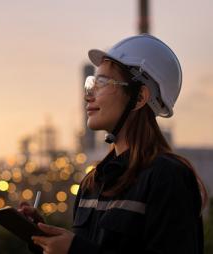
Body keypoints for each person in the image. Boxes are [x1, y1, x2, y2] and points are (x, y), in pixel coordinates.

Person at [18, 34, 208, 254]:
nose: (88, 95)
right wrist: (44, 239)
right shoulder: (93, 182)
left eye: (102, 83)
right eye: (92, 83)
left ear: (139, 97)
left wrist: (76, 250)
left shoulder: (167, 177)